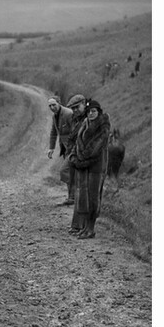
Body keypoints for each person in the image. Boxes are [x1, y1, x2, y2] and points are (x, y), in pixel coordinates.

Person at [69, 99, 111, 239]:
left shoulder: (103, 126)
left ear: (99, 112)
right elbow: (78, 142)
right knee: (84, 197)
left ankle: (91, 229)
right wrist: (74, 156)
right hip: (84, 164)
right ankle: (85, 227)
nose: (91, 114)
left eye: (94, 111)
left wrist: (82, 159)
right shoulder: (86, 123)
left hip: (96, 167)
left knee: (93, 197)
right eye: (89, 112)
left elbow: (96, 148)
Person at [63, 94, 87, 231]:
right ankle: (77, 225)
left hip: (87, 161)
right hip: (77, 159)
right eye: (73, 108)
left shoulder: (89, 118)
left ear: (84, 104)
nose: (75, 110)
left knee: (85, 194)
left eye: (77, 107)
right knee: (80, 192)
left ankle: (84, 225)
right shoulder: (76, 119)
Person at [46, 96, 74, 204]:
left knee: (65, 171)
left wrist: (74, 148)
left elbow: (75, 131)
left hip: (73, 148)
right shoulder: (55, 116)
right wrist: (51, 148)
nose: (52, 107)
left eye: (54, 105)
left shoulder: (68, 114)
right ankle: (71, 197)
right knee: (69, 172)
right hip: (65, 149)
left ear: (59, 103)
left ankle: (74, 197)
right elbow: (53, 132)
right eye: (50, 106)